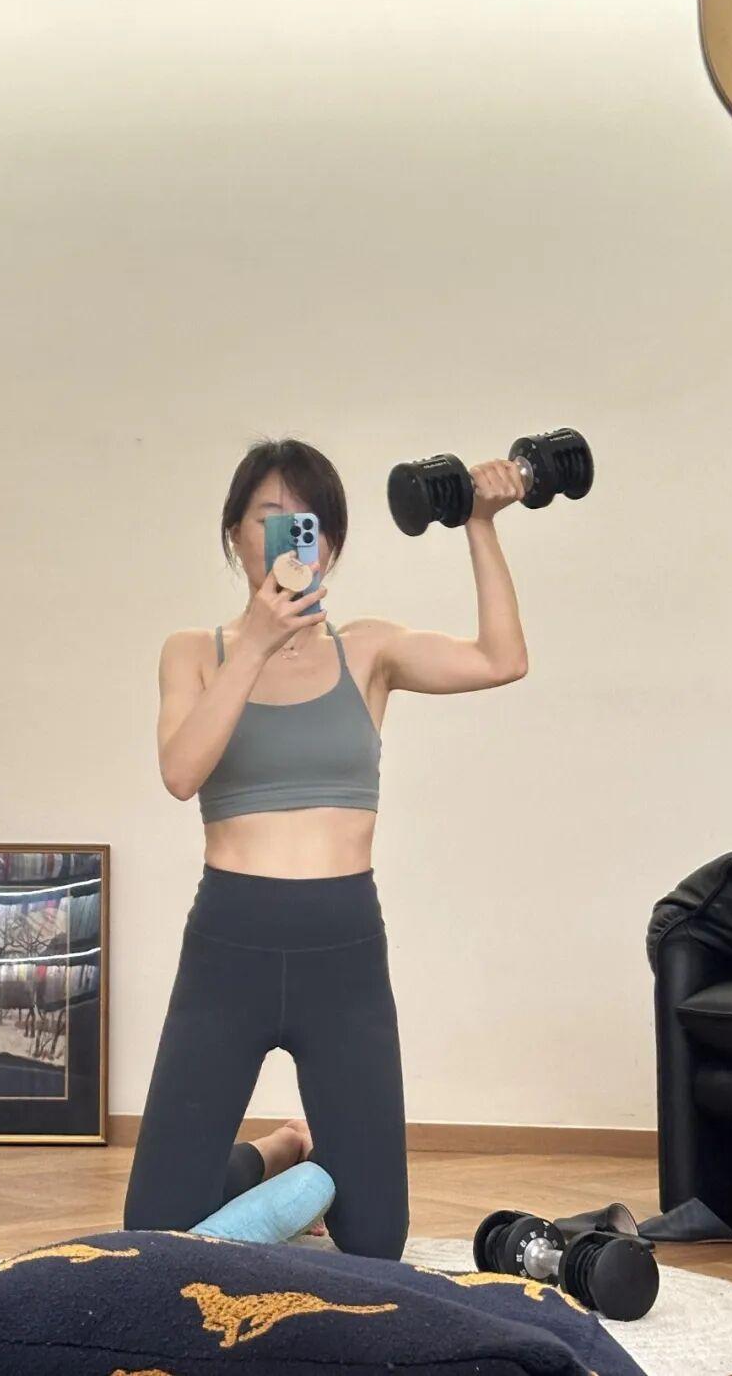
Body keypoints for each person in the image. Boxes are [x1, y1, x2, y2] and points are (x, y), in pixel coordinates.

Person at [123, 437, 528, 1258]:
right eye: (267, 519)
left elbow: (502, 658)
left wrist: (480, 524)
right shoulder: (193, 652)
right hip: (228, 946)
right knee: (153, 1232)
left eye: (304, 523)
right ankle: (278, 1152)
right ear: (234, 534)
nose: (286, 537)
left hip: (343, 952)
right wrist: (256, 642)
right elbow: (180, 771)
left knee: (375, 1239)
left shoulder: (368, 650)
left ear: (329, 544)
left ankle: (304, 1160)